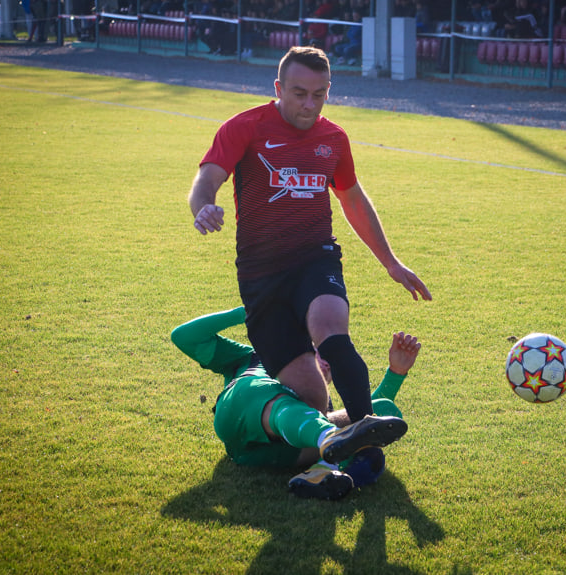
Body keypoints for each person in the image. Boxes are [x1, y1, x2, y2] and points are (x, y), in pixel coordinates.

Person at [187, 46, 431, 427]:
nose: (309, 104)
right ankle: (335, 433)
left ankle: (364, 429)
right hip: (261, 274)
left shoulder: (333, 138)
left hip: (315, 257)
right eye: (299, 93)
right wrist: (204, 206)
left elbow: (351, 199)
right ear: (278, 88)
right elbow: (207, 178)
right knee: (314, 399)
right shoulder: (245, 127)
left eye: (319, 95)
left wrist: (391, 262)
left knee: (331, 326)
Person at [170, 306, 422, 500]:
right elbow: (184, 336)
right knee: (260, 391)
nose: (325, 361)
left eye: (330, 364)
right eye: (318, 352)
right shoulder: (254, 358)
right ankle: (331, 451)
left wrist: (395, 373)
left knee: (384, 410)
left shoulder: (322, 408)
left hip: (278, 452)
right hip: (239, 417)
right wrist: (248, 312)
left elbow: (371, 418)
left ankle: (326, 474)